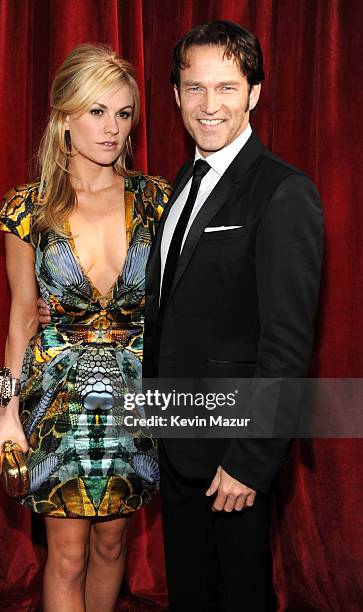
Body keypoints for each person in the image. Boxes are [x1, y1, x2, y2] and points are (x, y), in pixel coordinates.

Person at [142, 21, 323, 612]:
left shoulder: (282, 191)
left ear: (255, 93)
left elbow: (288, 343)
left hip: (233, 453)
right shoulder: (180, 185)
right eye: (194, 88)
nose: (209, 105)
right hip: (176, 439)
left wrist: (251, 459)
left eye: (226, 87)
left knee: (240, 597)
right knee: (191, 594)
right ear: (174, 95)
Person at [0, 44, 170, 612]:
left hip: (136, 396)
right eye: (96, 111)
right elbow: (20, 316)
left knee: (114, 544)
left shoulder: (158, 199)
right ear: (64, 116)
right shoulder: (29, 208)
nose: (112, 128)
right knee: (65, 554)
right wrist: (6, 409)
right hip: (58, 395)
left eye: (123, 113)